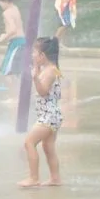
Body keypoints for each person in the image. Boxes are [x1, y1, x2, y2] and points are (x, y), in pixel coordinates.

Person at [19, 37, 63, 188]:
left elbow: (43, 91)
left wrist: (36, 78)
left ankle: (33, 178)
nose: (32, 55)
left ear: (42, 56)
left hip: (48, 116)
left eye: (35, 52)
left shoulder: (49, 72)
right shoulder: (50, 69)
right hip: (52, 115)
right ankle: (55, 178)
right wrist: (37, 72)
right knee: (48, 147)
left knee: (29, 142)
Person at [0, 0, 25, 76]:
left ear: (6, 0)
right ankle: (18, 88)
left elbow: (13, 29)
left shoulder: (6, 13)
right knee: (16, 71)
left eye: (0, 1)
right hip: (22, 41)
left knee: (7, 71)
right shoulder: (15, 8)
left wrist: (2, 38)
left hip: (16, 44)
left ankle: (12, 89)